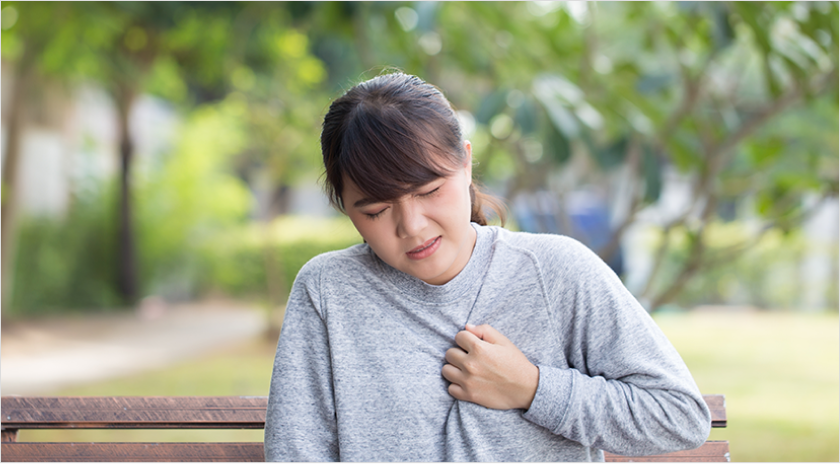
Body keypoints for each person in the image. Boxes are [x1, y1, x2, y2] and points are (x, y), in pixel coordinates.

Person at [264, 72, 711, 462]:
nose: (412, 227)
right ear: (346, 209)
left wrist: (533, 389)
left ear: (465, 162)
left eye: (428, 191)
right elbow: (296, 452)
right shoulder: (328, 291)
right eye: (377, 210)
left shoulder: (556, 272)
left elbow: (678, 417)